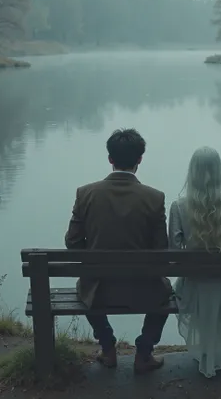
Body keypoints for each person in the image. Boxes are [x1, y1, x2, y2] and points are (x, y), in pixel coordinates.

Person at [65, 128, 172, 374]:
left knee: (84, 287)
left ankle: (107, 347)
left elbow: (72, 242)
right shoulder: (154, 198)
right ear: (139, 160)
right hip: (144, 289)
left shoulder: (85, 194)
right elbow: (161, 250)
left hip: (99, 290)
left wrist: (93, 260)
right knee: (167, 293)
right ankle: (144, 353)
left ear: (110, 159)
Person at [168, 146, 221, 378]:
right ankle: (217, 353)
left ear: (191, 173)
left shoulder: (178, 207)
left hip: (193, 283)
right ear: (219, 172)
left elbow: (173, 253)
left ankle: (204, 352)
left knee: (195, 287)